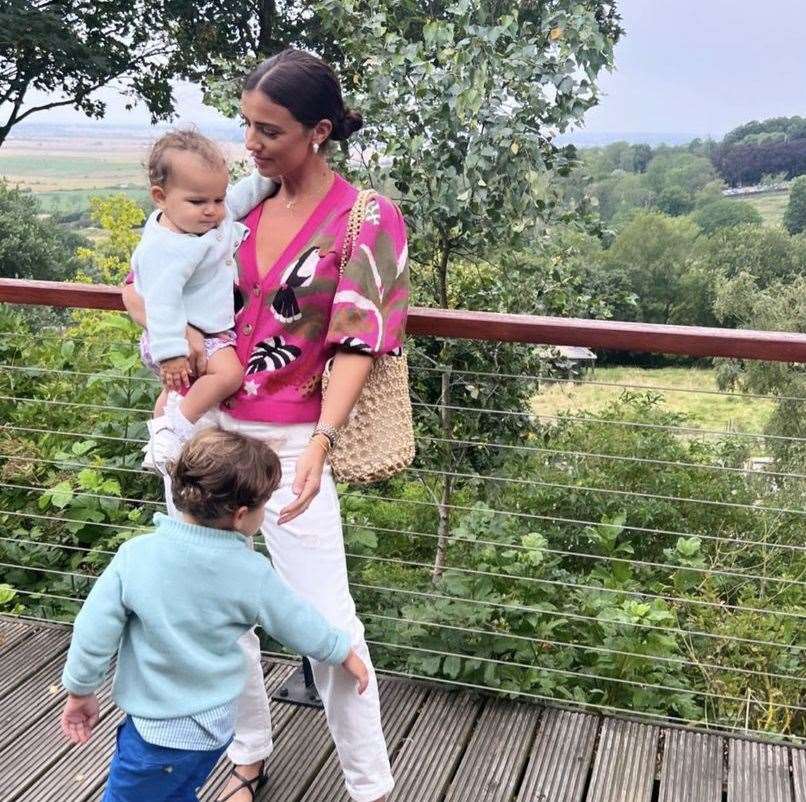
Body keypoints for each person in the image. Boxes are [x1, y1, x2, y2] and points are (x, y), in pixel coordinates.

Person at [122, 48, 409, 802]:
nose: (249, 143)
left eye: (268, 129)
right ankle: (247, 757)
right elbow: (137, 285)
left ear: (318, 131)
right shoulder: (234, 202)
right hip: (212, 432)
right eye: (246, 124)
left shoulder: (365, 218)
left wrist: (322, 443)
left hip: (292, 441)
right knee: (222, 616)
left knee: (328, 621)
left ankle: (370, 787)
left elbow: (360, 338)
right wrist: (181, 351)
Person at [60, 428, 369, 802]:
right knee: (174, 791)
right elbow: (298, 622)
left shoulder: (136, 556)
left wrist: (79, 690)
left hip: (158, 736)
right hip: (215, 728)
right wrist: (343, 651)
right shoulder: (250, 571)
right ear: (241, 516)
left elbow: (92, 630)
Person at [132, 129, 276, 469]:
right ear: (159, 196)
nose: (212, 211)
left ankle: (162, 434)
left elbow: (242, 197)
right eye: (198, 202)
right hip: (176, 340)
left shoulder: (206, 221)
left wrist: (271, 177)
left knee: (178, 393)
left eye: (218, 199)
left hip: (202, 335)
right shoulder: (165, 247)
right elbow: (161, 302)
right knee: (228, 376)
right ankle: (172, 432)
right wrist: (171, 354)